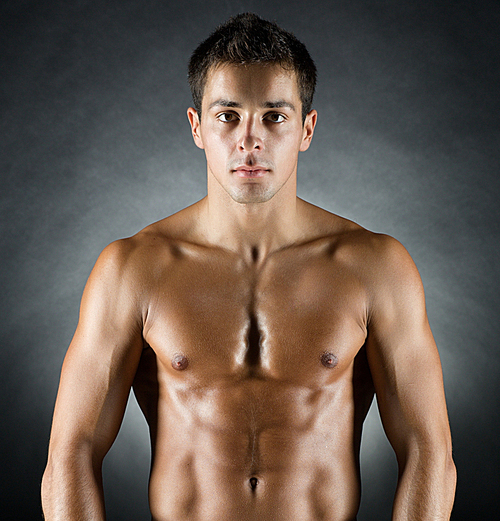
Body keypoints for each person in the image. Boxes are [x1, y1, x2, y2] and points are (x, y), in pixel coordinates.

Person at [41, 13, 456, 521]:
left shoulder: (375, 268)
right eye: (228, 115)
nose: (249, 139)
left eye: (274, 116)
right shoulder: (133, 269)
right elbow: (70, 453)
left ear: (306, 129)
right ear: (197, 127)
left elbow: (429, 452)